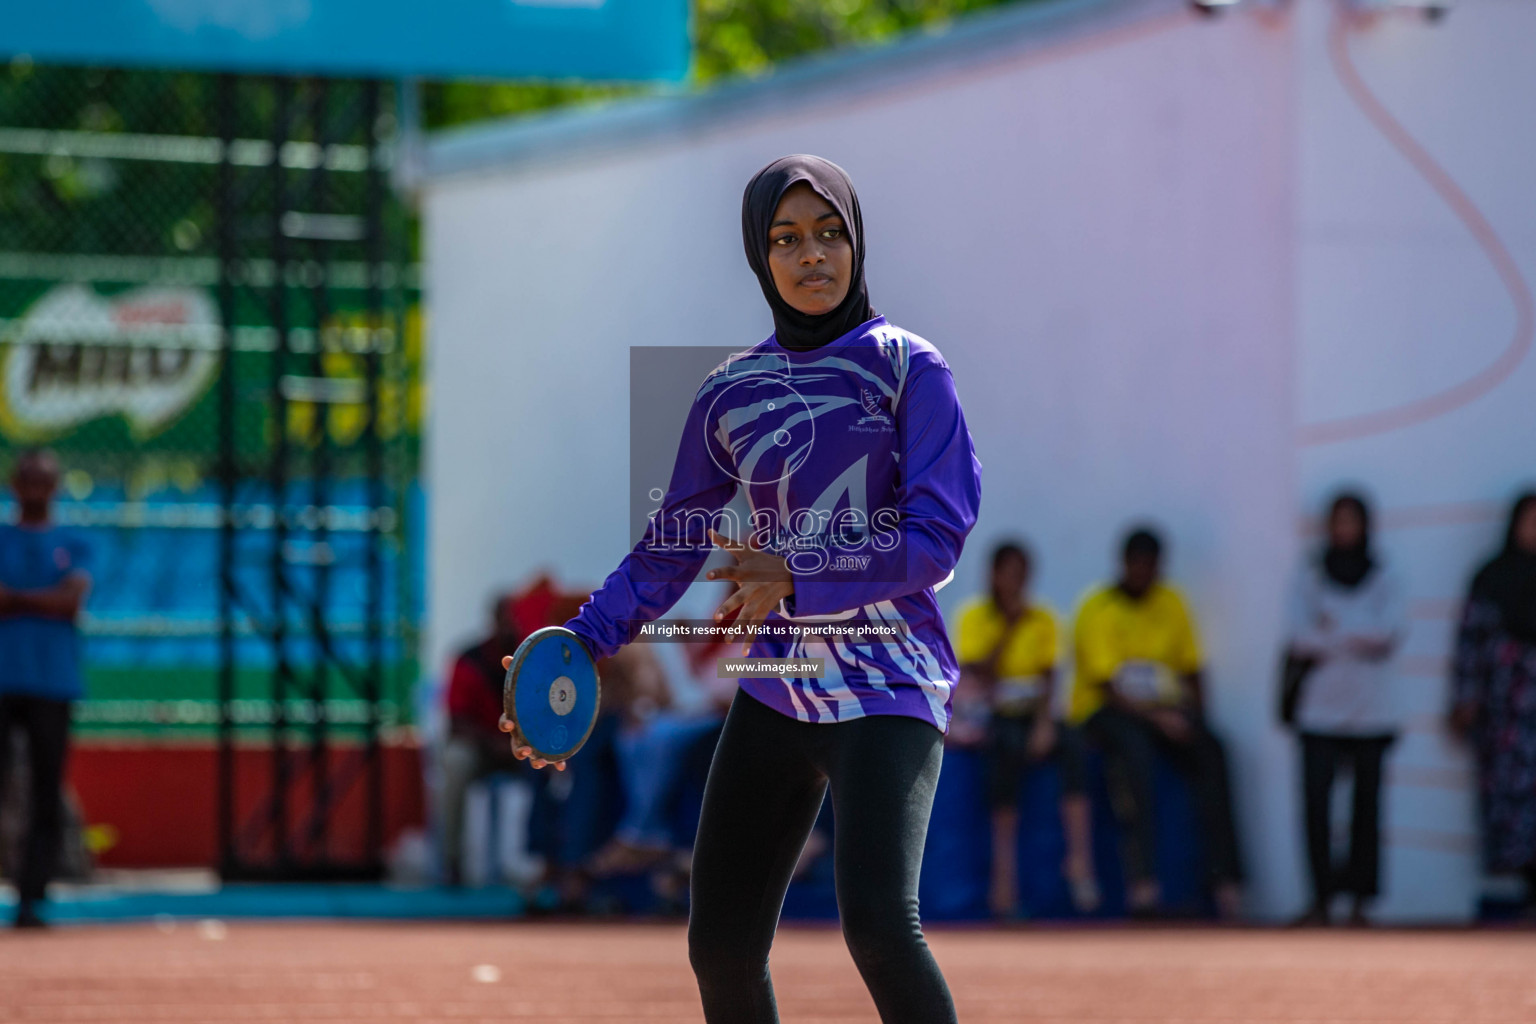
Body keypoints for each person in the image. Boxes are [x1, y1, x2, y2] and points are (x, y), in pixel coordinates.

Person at [501, 154, 980, 1022]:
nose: (812, 256)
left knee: (878, 925)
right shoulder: (729, 391)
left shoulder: (912, 368)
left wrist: (797, 572)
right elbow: (671, 545)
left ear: (857, 241)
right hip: (781, 691)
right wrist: (584, 640)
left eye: (830, 233)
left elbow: (935, 539)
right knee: (720, 944)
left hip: (892, 682)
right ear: (761, 260)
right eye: (786, 239)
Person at [1070, 526, 1242, 918]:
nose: (1144, 573)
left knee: (1213, 748)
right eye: (1138, 565)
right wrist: (1161, 718)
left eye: (1152, 567)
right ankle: (1143, 884)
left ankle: (1225, 881)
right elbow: (1107, 686)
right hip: (1106, 712)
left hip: (1163, 713)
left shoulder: (1172, 602)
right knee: (1135, 752)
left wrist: (1195, 720)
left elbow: (1193, 670)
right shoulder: (1097, 607)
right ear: (1124, 565)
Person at [954, 540, 1097, 918]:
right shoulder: (973, 617)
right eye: (1010, 573)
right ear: (994, 575)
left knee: (1072, 746)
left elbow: (1050, 678)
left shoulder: (1046, 618)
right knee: (1004, 754)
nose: (1017, 582)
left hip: (1034, 713)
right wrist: (1009, 627)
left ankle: (1079, 861)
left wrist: (1045, 725)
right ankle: (1004, 882)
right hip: (994, 716)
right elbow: (978, 672)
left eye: (1023, 574)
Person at [1283, 492, 1405, 926]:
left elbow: (1389, 634)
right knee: (1317, 807)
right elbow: (1299, 637)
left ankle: (1360, 902)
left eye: (1353, 520)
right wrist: (1358, 634)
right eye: (1338, 520)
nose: (1345, 529)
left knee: (1365, 810)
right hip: (1319, 709)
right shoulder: (1311, 573)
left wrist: (1333, 629)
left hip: (1372, 711)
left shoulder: (1384, 573)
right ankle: (1320, 899)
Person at [0, 449, 91, 929]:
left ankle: (31, 899)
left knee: (44, 789)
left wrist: (15, 598)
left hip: (54, 682)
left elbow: (72, 602)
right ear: (14, 485)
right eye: (27, 480)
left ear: (55, 487)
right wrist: (45, 598)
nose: (35, 489)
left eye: (44, 481)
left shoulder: (74, 540)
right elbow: (58, 598)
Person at [1450, 492, 1536, 914]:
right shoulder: (1492, 578)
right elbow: (1470, 642)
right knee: (1511, 804)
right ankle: (1524, 896)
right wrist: (1465, 699)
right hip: (1506, 714)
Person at [437, 591, 528, 885]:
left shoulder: (537, 659)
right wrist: (494, 743)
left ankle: (550, 867)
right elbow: (456, 722)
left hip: (525, 751)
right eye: (507, 617)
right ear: (494, 619)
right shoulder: (469, 659)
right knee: (455, 761)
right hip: (482, 750)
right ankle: (453, 863)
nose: (512, 624)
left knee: (562, 765)